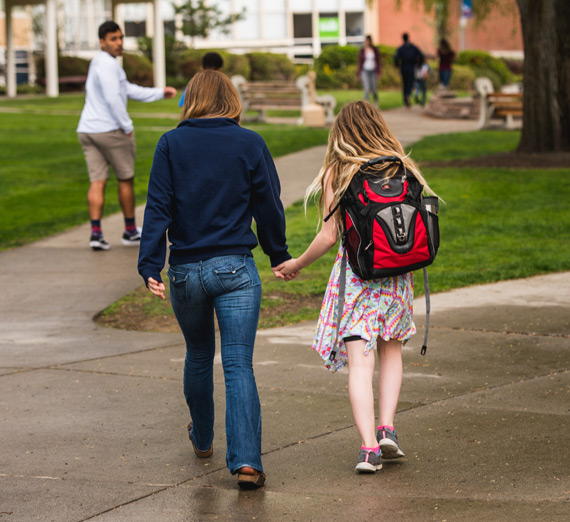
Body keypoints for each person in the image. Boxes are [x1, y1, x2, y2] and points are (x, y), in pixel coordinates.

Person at [138, 70, 292, 490]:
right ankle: (246, 463)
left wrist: (150, 264)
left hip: (185, 272)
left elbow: (158, 208)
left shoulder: (171, 143)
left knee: (199, 354)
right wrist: (278, 253)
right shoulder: (249, 143)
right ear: (231, 98)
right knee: (239, 362)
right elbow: (269, 205)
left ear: (191, 100)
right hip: (235, 270)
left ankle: (203, 439)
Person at [276, 101, 436, 474]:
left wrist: (297, 263)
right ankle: (388, 429)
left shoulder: (341, 170)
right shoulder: (402, 166)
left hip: (358, 279)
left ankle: (368, 449)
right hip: (397, 277)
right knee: (391, 354)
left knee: (360, 365)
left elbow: (330, 236)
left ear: (341, 132)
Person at [77, 21, 177, 251]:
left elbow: (128, 90)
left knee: (97, 181)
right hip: (110, 131)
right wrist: (127, 125)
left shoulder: (98, 63)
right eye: (114, 38)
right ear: (102, 41)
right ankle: (130, 231)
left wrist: (159, 93)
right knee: (125, 179)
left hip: (87, 130)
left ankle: (96, 234)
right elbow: (114, 98)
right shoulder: (110, 65)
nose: (119, 42)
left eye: (121, 38)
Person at [394, 33, 424, 107]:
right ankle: (408, 96)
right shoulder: (413, 47)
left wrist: (397, 65)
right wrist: (419, 65)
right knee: (410, 83)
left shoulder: (401, 48)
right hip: (411, 67)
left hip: (404, 68)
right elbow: (421, 55)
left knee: (405, 84)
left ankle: (405, 99)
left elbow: (396, 57)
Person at [357, 35, 382, 106]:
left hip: (373, 71)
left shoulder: (374, 50)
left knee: (374, 88)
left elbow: (378, 62)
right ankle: (366, 105)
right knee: (366, 88)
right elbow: (360, 63)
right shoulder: (362, 51)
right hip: (365, 71)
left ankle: (376, 101)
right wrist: (358, 73)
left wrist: (379, 72)